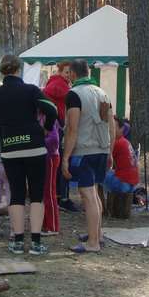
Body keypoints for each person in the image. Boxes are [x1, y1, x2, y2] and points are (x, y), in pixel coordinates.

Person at [0, 55, 58, 256]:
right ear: (19, 70)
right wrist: (46, 128)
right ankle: (36, 242)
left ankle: (18, 242)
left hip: (10, 150)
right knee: (36, 194)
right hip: (35, 147)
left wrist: (6, 135)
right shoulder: (31, 90)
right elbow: (52, 109)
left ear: (2, 71)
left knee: (16, 194)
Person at [62, 59, 115, 254]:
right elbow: (111, 126)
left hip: (84, 151)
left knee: (88, 195)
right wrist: (110, 151)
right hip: (101, 149)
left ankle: (93, 243)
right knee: (94, 193)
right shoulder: (102, 93)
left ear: (73, 74)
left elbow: (73, 128)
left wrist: (65, 157)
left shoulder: (74, 94)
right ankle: (97, 234)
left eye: (69, 73)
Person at [43, 61, 79, 213]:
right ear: (60, 72)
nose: (68, 75)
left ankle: (59, 196)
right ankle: (62, 198)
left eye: (70, 72)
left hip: (57, 127)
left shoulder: (58, 83)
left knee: (58, 164)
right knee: (61, 163)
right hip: (58, 129)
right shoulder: (58, 84)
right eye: (66, 72)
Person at [102, 117, 139, 194]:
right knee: (108, 172)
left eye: (113, 127)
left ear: (122, 129)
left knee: (95, 173)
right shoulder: (125, 141)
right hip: (132, 184)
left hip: (123, 184)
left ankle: (96, 199)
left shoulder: (116, 143)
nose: (110, 130)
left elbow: (104, 162)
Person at [41, 113, 61, 236]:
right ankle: (45, 223)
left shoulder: (47, 117)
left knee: (49, 192)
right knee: (44, 192)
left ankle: (52, 226)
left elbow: (54, 140)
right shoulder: (39, 116)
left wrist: (38, 141)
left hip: (51, 158)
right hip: (44, 158)